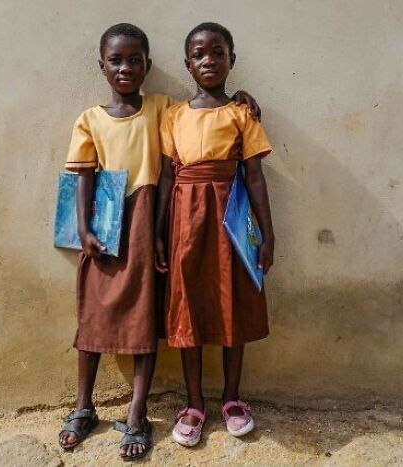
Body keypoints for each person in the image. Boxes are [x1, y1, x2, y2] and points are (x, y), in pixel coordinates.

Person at [58, 22, 261, 460]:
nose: (126, 68)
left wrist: (243, 98)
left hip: (152, 220)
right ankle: (82, 406)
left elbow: (209, 107)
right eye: (116, 60)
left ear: (149, 65)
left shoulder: (164, 107)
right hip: (109, 224)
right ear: (101, 67)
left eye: (135, 60)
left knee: (148, 315)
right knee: (93, 312)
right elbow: (82, 177)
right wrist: (84, 229)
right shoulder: (91, 119)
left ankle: (136, 415)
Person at [155, 22, 275, 447]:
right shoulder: (174, 115)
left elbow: (256, 178)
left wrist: (267, 232)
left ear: (231, 60)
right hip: (186, 221)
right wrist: (158, 232)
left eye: (218, 53)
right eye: (199, 54)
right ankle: (193, 403)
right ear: (187, 64)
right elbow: (168, 179)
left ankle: (231, 398)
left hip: (230, 215)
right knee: (188, 305)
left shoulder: (241, 114)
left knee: (232, 300)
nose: (209, 61)